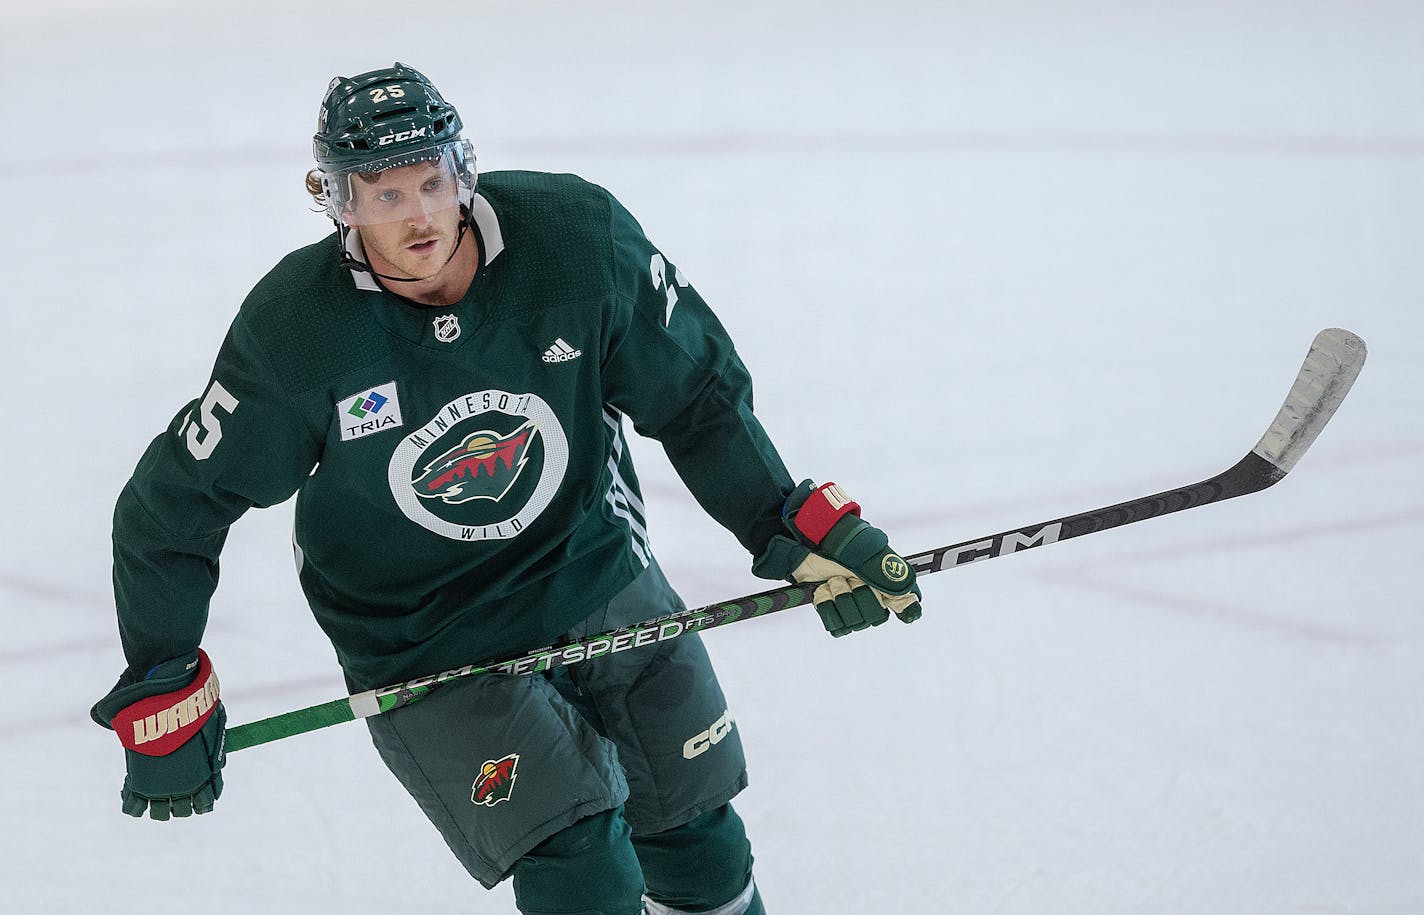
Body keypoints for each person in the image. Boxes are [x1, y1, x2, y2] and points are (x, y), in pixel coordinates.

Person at [91, 63, 923, 915]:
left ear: (463, 167)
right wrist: (164, 675)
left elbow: (697, 396)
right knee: (580, 864)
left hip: (591, 562)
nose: (417, 215)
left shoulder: (578, 242)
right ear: (338, 202)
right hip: (421, 630)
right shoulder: (300, 333)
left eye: (430, 181)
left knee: (697, 835)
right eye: (383, 194)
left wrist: (789, 523)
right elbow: (172, 507)